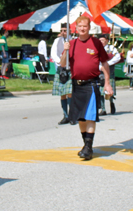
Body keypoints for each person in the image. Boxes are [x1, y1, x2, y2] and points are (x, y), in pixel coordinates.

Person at [60, 16, 112, 160]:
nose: (82, 29)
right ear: (75, 28)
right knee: (81, 119)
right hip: (77, 85)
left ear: (89, 27)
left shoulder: (95, 43)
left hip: (91, 84)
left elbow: (105, 64)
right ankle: (86, 145)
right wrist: (65, 51)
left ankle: (88, 147)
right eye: (80, 26)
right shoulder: (72, 43)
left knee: (89, 117)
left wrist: (107, 83)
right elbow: (63, 64)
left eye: (85, 26)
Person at [50, 24, 73, 125]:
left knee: (70, 93)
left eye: (65, 30)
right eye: (62, 30)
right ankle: (65, 116)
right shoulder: (57, 41)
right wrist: (60, 62)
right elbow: (53, 53)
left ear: (70, 31)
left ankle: (72, 115)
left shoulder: (74, 40)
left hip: (71, 69)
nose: (63, 32)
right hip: (61, 68)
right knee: (62, 94)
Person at [98, 34, 120, 115]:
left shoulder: (112, 48)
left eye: (103, 40)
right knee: (100, 92)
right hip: (100, 72)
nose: (101, 42)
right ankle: (103, 109)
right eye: (100, 41)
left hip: (109, 72)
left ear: (107, 40)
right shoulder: (96, 48)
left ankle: (111, 103)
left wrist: (108, 63)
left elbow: (117, 57)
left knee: (109, 91)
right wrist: (99, 67)